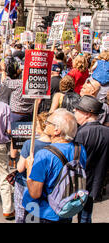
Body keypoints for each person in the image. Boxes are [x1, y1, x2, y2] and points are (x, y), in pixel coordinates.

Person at [22, 108, 86, 223]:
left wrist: (29, 170)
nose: (45, 123)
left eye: (48, 122)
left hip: (40, 212)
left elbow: (35, 193)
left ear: (57, 130)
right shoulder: (80, 149)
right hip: (65, 210)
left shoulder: (44, 155)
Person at [73, 95, 109, 223]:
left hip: (79, 181)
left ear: (87, 114)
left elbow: (75, 158)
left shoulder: (82, 133)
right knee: (86, 215)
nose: (74, 112)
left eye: (77, 110)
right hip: (96, 181)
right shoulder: (106, 131)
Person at [15, 112, 51, 223]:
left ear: (40, 127)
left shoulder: (30, 144)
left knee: (24, 212)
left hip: (28, 182)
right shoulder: (56, 143)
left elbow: (20, 168)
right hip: (48, 183)